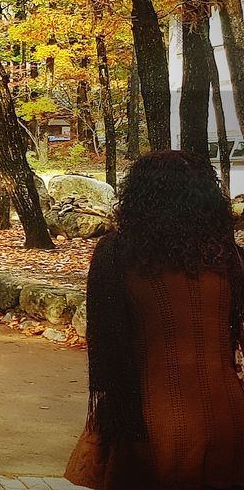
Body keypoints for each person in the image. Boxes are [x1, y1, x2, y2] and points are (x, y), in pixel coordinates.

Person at [64, 150, 244, 490]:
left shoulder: (117, 253)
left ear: (139, 196)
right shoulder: (229, 256)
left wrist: (113, 423)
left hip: (148, 421)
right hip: (228, 417)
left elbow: (107, 344)